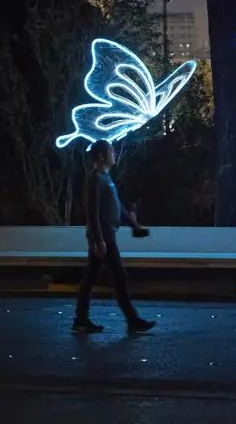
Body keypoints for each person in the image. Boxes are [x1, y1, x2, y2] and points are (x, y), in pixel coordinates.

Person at [72, 140, 156, 334]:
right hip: (104, 235)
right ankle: (132, 320)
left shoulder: (106, 178)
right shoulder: (95, 178)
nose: (114, 154)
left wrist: (134, 224)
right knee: (118, 276)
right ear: (101, 156)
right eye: (111, 151)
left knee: (92, 277)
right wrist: (98, 239)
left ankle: (81, 319)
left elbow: (117, 208)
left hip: (107, 234)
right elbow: (92, 212)